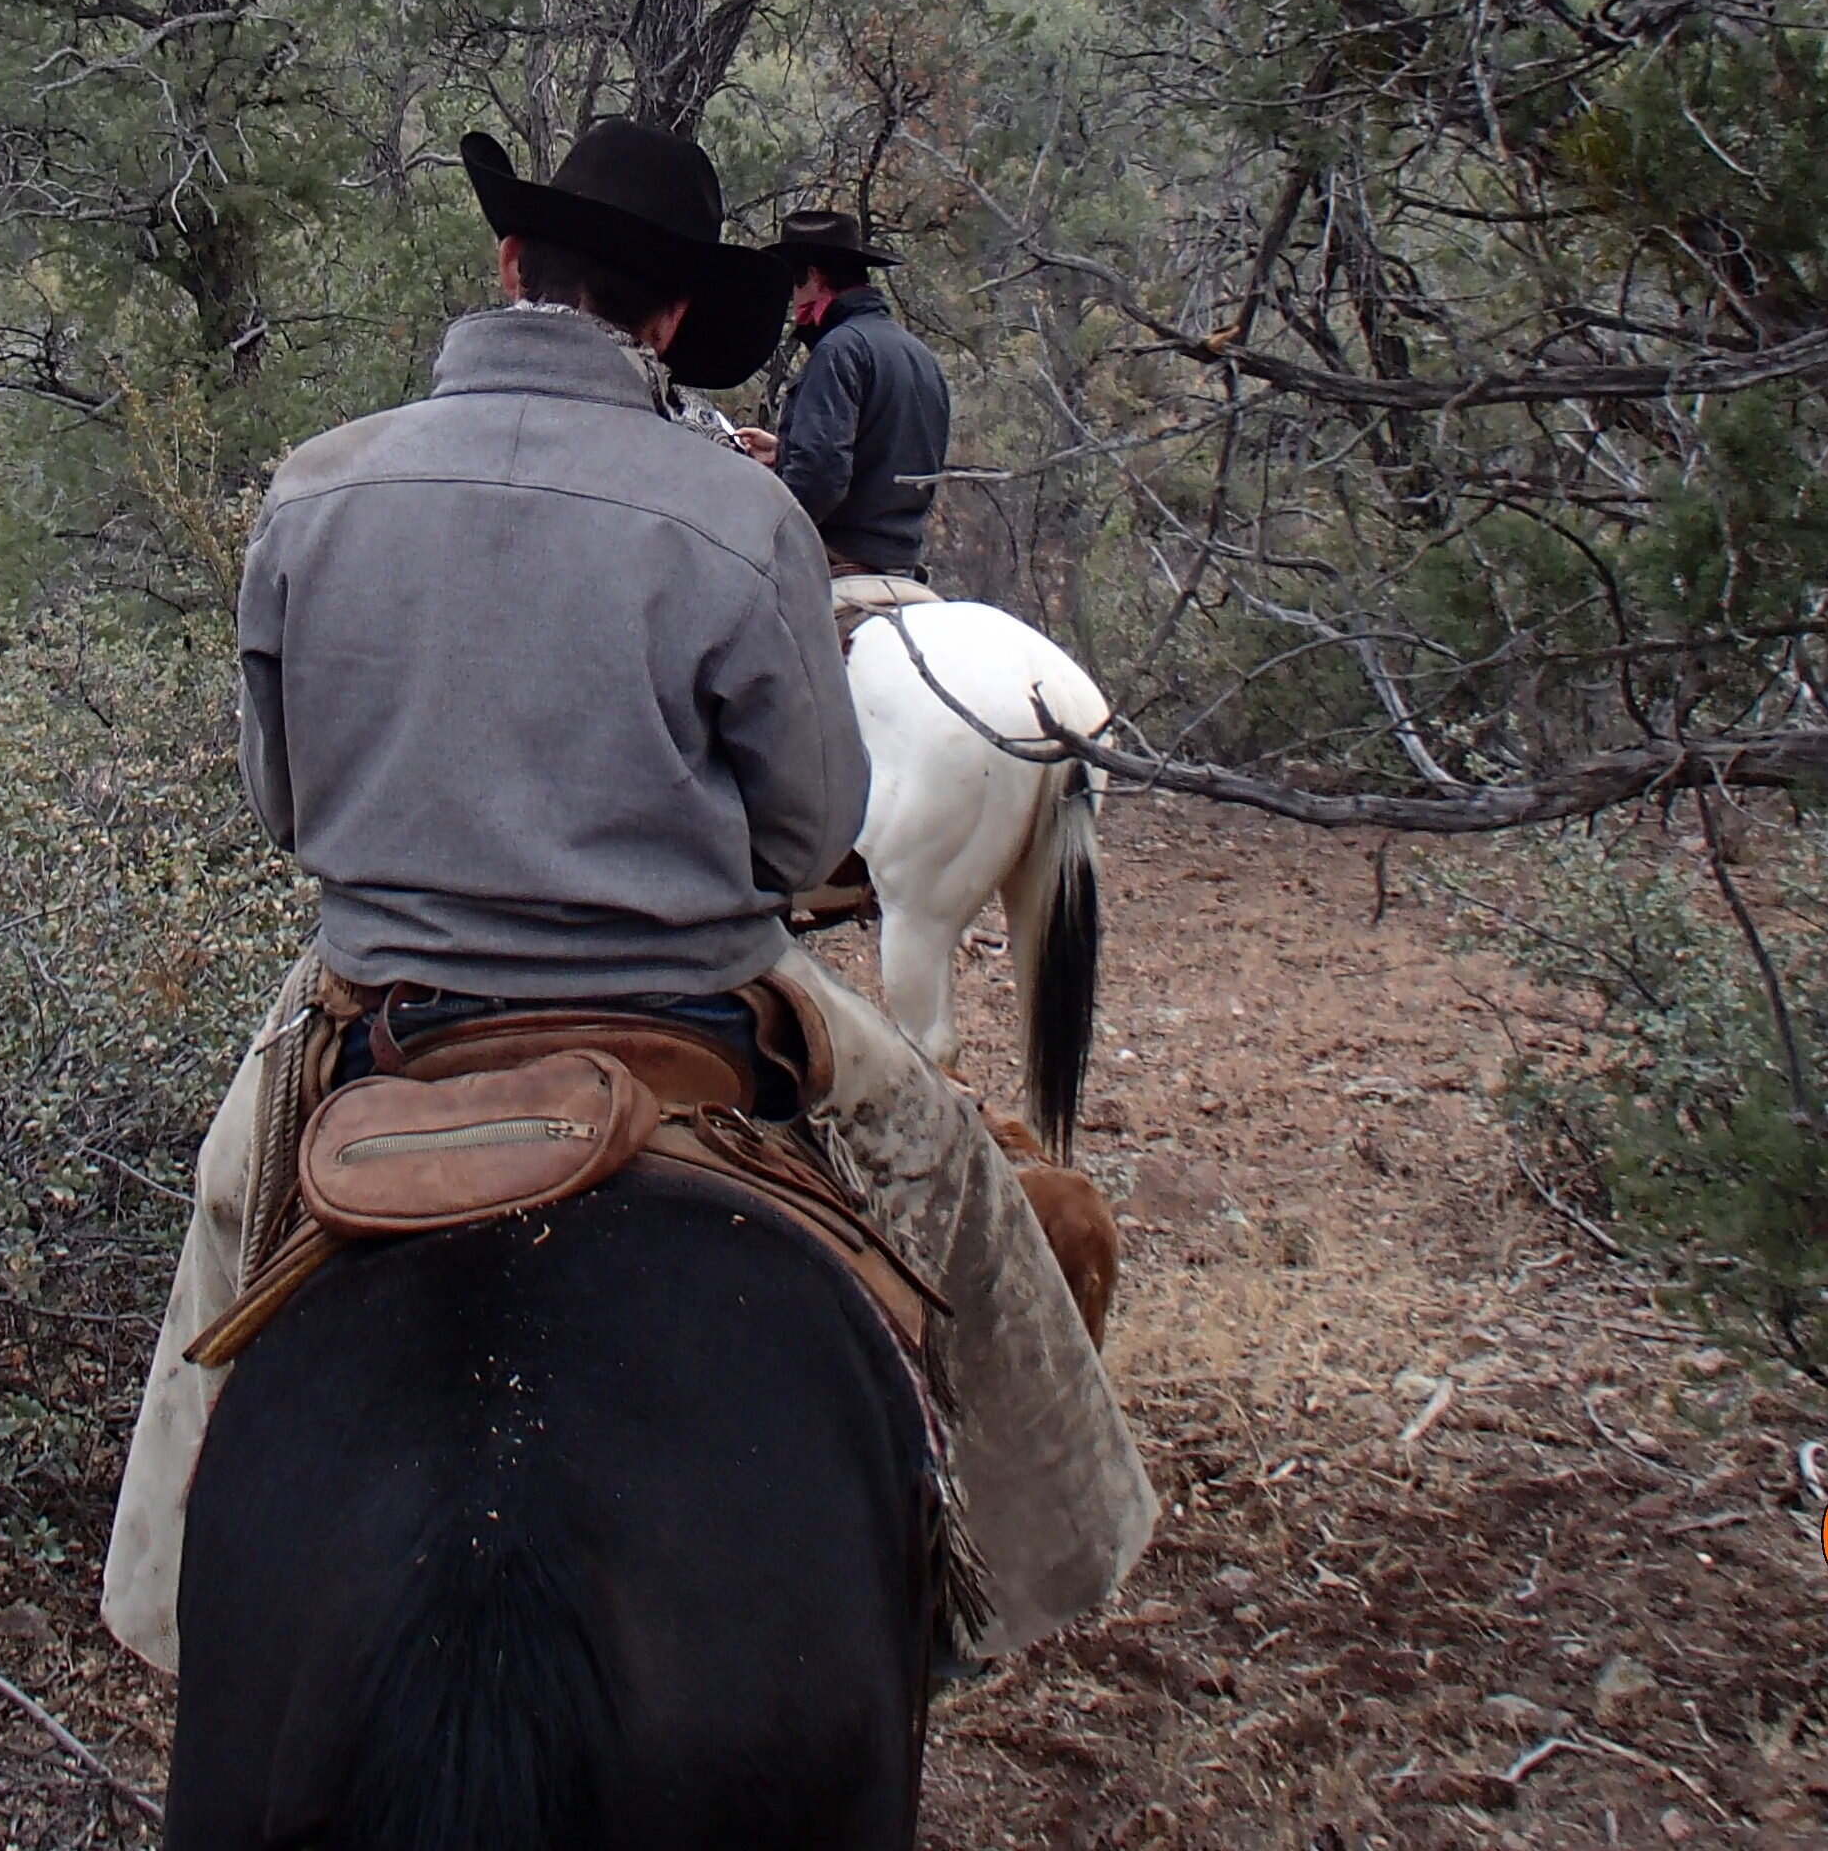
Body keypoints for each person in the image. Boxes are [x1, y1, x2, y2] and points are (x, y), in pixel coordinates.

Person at [100, 121, 1150, 1675]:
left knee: (224, 1205)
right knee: (963, 1191)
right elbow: (808, 839)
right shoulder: (744, 525)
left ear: (510, 264)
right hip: (695, 999)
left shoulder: (312, 492)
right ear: (670, 324)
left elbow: (286, 808)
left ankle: (167, 1602)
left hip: (382, 997)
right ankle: (1019, 1575)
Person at [738, 208, 952, 617]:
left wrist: (763, 531)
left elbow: (821, 477)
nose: (794, 299)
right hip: (903, 564)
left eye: (795, 285)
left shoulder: (838, 350)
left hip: (840, 557)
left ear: (815, 278)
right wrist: (785, 452)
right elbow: (884, 450)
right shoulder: (919, 355)